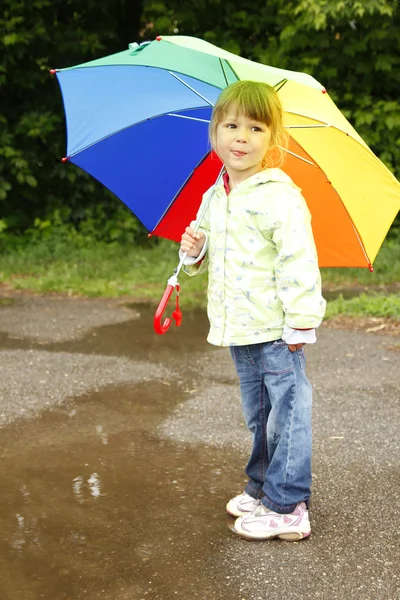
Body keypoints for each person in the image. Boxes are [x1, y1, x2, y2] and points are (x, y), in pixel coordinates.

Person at [179, 80, 326, 541]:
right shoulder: (214, 194)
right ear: (214, 132)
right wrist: (194, 251)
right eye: (231, 125)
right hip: (238, 326)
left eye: (256, 128)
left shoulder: (279, 196)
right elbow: (204, 260)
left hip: (277, 328)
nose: (241, 137)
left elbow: (299, 259)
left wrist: (301, 320)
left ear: (273, 138)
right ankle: (262, 486)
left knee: (288, 411)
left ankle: (287, 505)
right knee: (258, 414)